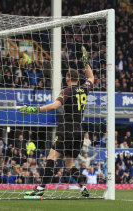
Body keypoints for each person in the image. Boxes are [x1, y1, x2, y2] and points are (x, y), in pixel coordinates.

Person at [19, 46, 93, 197]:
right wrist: (86, 62)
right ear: (78, 80)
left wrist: (34, 110)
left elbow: (55, 106)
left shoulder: (66, 91)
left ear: (67, 79)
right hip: (79, 131)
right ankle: (84, 188)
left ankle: (40, 190)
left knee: (51, 158)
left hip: (66, 129)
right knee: (70, 164)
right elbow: (91, 78)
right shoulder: (84, 89)